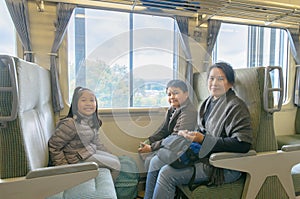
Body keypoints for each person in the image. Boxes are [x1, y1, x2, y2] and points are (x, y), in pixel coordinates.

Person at [143, 62, 253, 199]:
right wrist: (189, 135)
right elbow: (202, 131)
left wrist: (202, 139)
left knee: (167, 173)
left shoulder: (236, 107)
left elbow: (243, 144)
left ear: (230, 83)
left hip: (223, 165)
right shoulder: (208, 103)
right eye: (211, 78)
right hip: (204, 156)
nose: (214, 83)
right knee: (155, 161)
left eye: (220, 79)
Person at [48, 86, 121, 181]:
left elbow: (97, 143)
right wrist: (64, 168)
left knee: (115, 159)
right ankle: (108, 193)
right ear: (75, 104)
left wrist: (110, 154)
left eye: (92, 100)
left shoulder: (92, 121)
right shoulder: (70, 124)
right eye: (83, 100)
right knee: (115, 165)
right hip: (75, 159)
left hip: (87, 152)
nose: (88, 104)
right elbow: (54, 146)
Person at [138, 79, 197, 169]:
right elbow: (163, 130)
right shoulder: (172, 109)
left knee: (153, 161)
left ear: (186, 94)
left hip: (181, 147)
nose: (172, 97)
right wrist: (149, 141)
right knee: (148, 159)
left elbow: (176, 137)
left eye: (176, 93)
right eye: (169, 94)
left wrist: (152, 148)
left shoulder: (189, 111)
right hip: (170, 144)